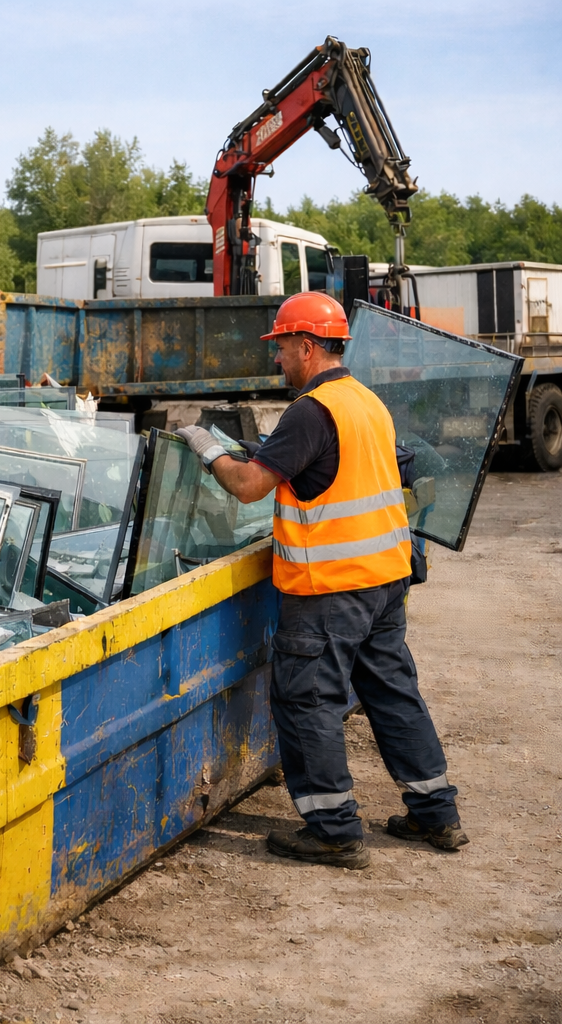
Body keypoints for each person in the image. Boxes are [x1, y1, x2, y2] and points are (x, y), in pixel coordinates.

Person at [174, 292, 468, 869]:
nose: (278, 360)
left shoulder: (311, 411)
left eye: (282, 348)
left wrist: (208, 449)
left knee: (307, 699)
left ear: (307, 346)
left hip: (330, 586)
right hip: (385, 580)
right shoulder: (366, 402)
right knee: (392, 693)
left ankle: (333, 829)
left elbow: (250, 487)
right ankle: (437, 815)